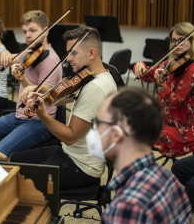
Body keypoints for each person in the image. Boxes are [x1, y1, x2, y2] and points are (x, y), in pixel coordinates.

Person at [10, 26, 117, 190]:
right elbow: (58, 98)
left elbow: (70, 137)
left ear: (91, 53)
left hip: (81, 167)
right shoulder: (92, 76)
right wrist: (38, 94)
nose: (68, 58)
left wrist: (44, 117)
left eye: (73, 53)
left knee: (21, 181)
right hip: (69, 154)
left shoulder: (95, 88)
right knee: (14, 160)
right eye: (68, 53)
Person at [89, 87, 192, 223]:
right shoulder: (169, 179)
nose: (94, 131)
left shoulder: (127, 207)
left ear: (116, 134)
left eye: (98, 123)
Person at [0, 10, 62, 159]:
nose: (28, 35)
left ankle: (2, 165)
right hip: (18, 116)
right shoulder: (30, 52)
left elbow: (46, 97)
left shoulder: (50, 61)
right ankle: (1, 163)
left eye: (33, 30)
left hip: (38, 122)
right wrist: (1, 55)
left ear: (46, 31)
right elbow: (3, 59)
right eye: (25, 31)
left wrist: (22, 79)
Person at [134, 22, 194, 157]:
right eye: (174, 40)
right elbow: (148, 75)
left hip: (184, 127)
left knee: (143, 135)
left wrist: (163, 86)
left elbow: (175, 101)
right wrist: (139, 65)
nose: (177, 44)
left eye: (182, 40)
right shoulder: (171, 63)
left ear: (192, 41)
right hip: (165, 119)